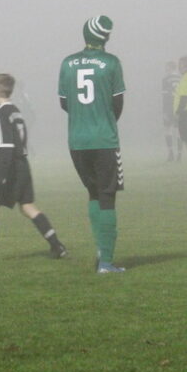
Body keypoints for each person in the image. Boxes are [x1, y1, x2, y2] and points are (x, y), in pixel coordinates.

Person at [0, 73, 66, 263]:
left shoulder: (0, 113)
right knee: (28, 207)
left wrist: (1, 172)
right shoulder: (16, 111)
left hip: (7, 165)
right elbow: (13, 142)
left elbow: (8, 146)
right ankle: (57, 245)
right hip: (22, 164)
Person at [58, 16, 126, 274]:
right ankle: (106, 261)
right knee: (108, 196)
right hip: (104, 139)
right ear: (105, 36)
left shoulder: (67, 63)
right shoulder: (111, 63)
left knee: (94, 193)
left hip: (76, 140)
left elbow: (64, 103)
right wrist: (102, 120)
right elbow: (117, 104)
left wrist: (83, 118)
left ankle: (101, 249)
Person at [161, 61, 183, 162]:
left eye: (167, 67)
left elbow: (165, 96)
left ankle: (171, 153)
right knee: (178, 130)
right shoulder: (180, 78)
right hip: (179, 107)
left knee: (168, 129)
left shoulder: (165, 79)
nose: (166, 69)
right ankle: (179, 153)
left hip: (169, 107)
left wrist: (164, 110)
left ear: (170, 67)